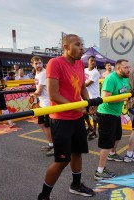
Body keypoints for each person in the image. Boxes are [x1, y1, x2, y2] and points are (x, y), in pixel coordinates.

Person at [37, 34, 94, 200]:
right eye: (77, 45)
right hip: (61, 119)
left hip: (76, 117)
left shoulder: (79, 63)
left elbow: (82, 86)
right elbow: (53, 95)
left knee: (77, 153)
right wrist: (78, 108)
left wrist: (89, 102)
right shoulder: (55, 63)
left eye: (82, 45)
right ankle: (44, 196)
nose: (81, 48)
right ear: (66, 47)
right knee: (62, 161)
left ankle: (76, 185)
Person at [94, 59, 131, 180]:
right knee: (106, 143)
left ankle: (113, 154)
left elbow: (127, 91)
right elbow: (106, 98)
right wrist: (125, 99)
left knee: (117, 136)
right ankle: (99, 171)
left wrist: (132, 95)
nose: (128, 69)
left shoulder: (125, 78)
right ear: (118, 68)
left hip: (115, 113)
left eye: (128, 67)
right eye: (125, 67)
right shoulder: (111, 78)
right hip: (106, 114)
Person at [30, 56, 54, 157]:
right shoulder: (37, 73)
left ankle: (55, 146)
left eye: (40, 63)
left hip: (47, 104)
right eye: (36, 63)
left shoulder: (43, 73)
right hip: (42, 104)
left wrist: (32, 94)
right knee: (41, 124)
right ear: (32, 64)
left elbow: (39, 91)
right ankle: (51, 144)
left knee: (49, 126)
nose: (38, 65)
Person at [84, 55, 101, 140]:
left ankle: (94, 131)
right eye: (92, 61)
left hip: (94, 97)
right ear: (88, 61)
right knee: (84, 113)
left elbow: (87, 84)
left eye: (94, 61)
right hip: (86, 96)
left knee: (94, 115)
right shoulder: (85, 70)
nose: (93, 62)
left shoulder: (95, 72)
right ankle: (90, 127)